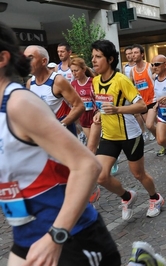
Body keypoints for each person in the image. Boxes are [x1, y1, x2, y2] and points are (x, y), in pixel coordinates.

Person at [0, 21, 122, 266]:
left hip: (70, 235)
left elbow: (88, 166)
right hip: (26, 232)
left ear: (2, 58)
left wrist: (56, 236)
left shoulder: (18, 103)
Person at [91, 39, 164, 219]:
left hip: (129, 135)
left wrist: (118, 110)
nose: (93, 60)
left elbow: (141, 106)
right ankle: (127, 196)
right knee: (100, 176)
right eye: (92, 56)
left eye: (98, 56)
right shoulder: (96, 81)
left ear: (109, 59)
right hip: (109, 135)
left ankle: (155, 198)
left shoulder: (122, 80)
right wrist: (101, 113)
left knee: (138, 173)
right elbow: (104, 104)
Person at [24, 45, 84, 136]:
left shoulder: (57, 80)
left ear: (44, 61)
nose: (26, 62)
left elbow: (79, 106)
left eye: (31, 58)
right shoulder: (30, 83)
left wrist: (61, 125)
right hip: (43, 136)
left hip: (63, 136)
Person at [130, 44, 160, 149]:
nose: (133, 55)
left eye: (136, 52)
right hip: (142, 103)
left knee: (149, 125)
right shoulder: (132, 71)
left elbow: (159, 78)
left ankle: (162, 138)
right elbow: (131, 86)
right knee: (151, 125)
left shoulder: (150, 67)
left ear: (142, 54)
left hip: (153, 99)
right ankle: (162, 140)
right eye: (132, 53)